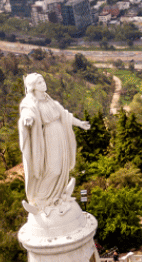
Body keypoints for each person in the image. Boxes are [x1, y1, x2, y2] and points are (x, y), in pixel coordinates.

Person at [18, 73, 91, 212]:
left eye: (43, 80)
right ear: (33, 87)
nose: (43, 83)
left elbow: (65, 115)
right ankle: (40, 198)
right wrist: (27, 119)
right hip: (49, 138)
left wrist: (80, 123)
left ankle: (56, 196)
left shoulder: (50, 101)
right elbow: (27, 112)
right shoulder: (31, 103)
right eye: (39, 82)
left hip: (60, 136)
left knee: (61, 168)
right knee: (53, 169)